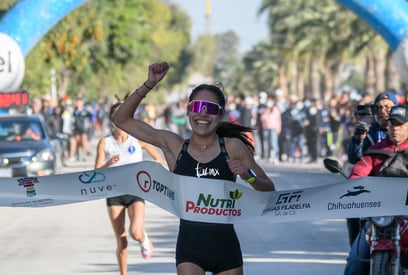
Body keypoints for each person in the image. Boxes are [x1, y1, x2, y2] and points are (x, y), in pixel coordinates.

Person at [111, 62, 275, 275]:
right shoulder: (174, 146)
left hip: (226, 248)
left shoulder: (233, 147)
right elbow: (120, 119)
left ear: (221, 114)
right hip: (190, 249)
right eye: (197, 107)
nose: (203, 114)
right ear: (189, 111)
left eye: (211, 109)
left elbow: (269, 190)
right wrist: (149, 84)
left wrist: (248, 176)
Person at [94, 99, 165, 275]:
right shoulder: (105, 142)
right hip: (114, 193)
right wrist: (109, 163)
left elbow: (158, 159)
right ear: (111, 121)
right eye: (116, 119)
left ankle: (143, 238)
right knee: (122, 241)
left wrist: (149, 175)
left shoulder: (137, 139)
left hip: (135, 191)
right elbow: (96, 171)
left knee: (135, 232)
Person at [344, 105, 408, 275]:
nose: (395, 129)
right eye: (392, 124)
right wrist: (351, 186)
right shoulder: (376, 151)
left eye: (400, 124)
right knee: (354, 263)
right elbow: (359, 173)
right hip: (378, 219)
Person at [345, 90, 399, 247]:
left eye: (389, 108)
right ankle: (356, 248)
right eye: (380, 107)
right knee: (352, 211)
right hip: (373, 190)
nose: (384, 112)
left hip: (400, 191)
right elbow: (356, 160)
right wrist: (357, 140)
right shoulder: (367, 132)